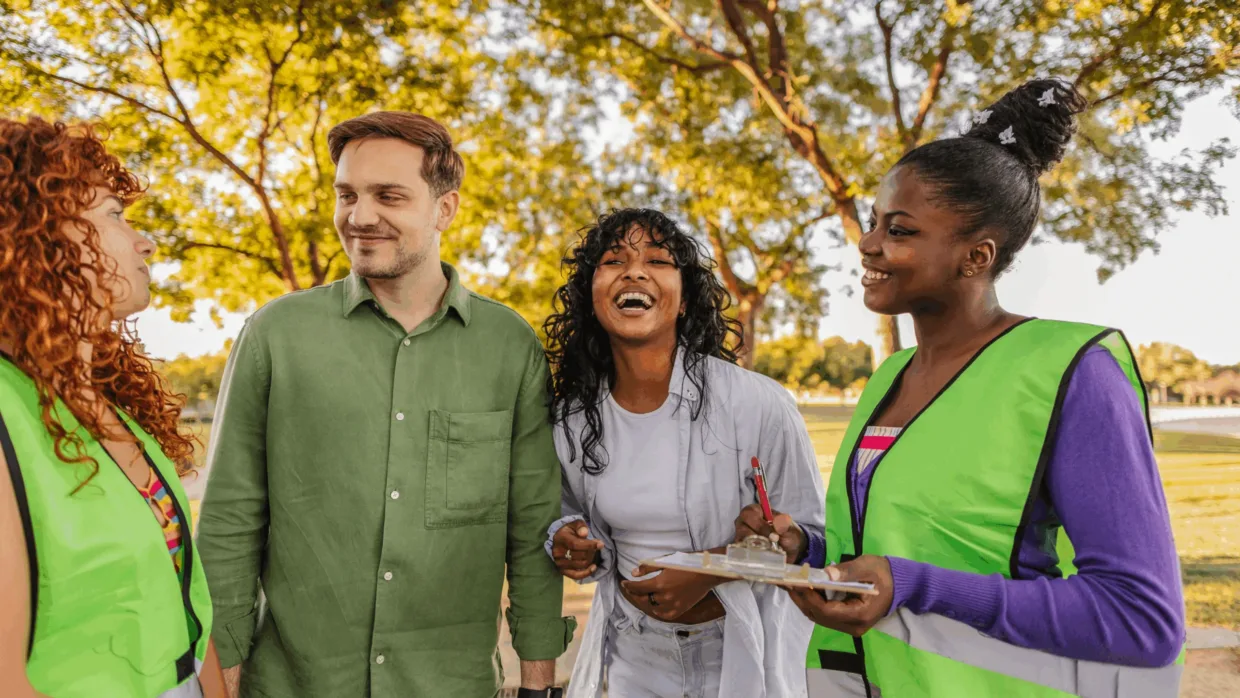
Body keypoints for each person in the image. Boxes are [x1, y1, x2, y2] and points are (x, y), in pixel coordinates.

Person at [771, 79, 1186, 697]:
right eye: (874, 222)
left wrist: (911, 584)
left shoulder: (1071, 369)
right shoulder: (891, 375)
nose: (868, 243)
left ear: (976, 257)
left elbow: (1141, 618)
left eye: (900, 230)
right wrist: (806, 547)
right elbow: (920, 546)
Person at [196, 111, 573, 698]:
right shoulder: (275, 334)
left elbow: (531, 526)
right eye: (347, 195)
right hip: (292, 685)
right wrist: (221, 678)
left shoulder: (509, 345)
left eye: (388, 196)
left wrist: (539, 681)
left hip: (451, 685)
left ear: (444, 209)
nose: (360, 216)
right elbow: (230, 521)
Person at [543, 208, 826, 697]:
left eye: (657, 260)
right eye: (613, 261)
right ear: (591, 296)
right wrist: (567, 540)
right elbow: (566, 514)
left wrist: (714, 567)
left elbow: (815, 540)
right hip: (633, 654)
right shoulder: (571, 421)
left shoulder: (759, 403)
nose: (634, 271)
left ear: (684, 300)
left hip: (740, 649)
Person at [0, 117, 227, 698]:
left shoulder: (109, 404)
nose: (143, 242)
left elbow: (182, 599)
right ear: (37, 235)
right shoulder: (8, 412)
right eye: (113, 216)